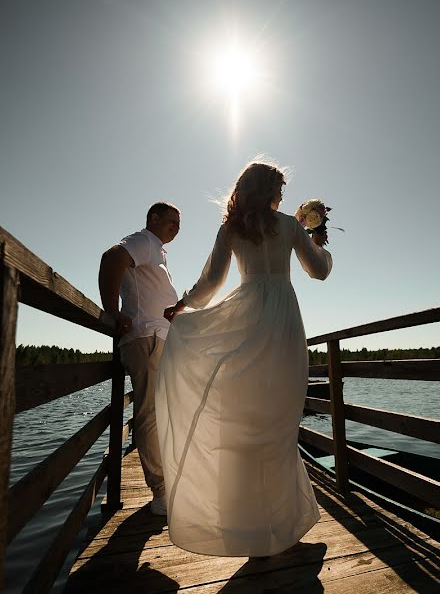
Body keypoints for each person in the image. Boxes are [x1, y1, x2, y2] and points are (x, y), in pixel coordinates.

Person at [155, 160, 332, 557]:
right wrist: (317, 237)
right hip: (284, 323)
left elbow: (211, 283)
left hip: (246, 321)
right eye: (280, 190)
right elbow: (319, 272)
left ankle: (243, 525)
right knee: (280, 425)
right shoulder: (289, 225)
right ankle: (281, 526)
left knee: (244, 424)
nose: (283, 197)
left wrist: (182, 305)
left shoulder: (231, 229)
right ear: (269, 191)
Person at [98, 202, 181, 515]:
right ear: (154, 219)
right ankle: (160, 493)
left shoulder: (156, 250)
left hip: (157, 339)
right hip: (145, 338)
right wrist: (112, 311)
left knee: (158, 413)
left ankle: (167, 482)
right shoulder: (144, 240)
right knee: (148, 413)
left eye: (179, 224)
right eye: (171, 221)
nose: (176, 228)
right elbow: (112, 258)